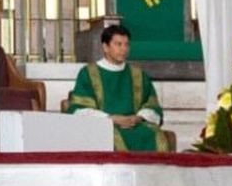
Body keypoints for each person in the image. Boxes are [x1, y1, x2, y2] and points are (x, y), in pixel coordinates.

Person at [66, 23, 169, 152]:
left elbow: (152, 105)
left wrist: (138, 117)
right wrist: (112, 119)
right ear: (105, 47)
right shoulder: (88, 73)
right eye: (118, 44)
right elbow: (79, 108)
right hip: (105, 126)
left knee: (154, 135)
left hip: (134, 124)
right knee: (113, 139)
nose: (124, 49)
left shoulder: (137, 74)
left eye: (126, 45)